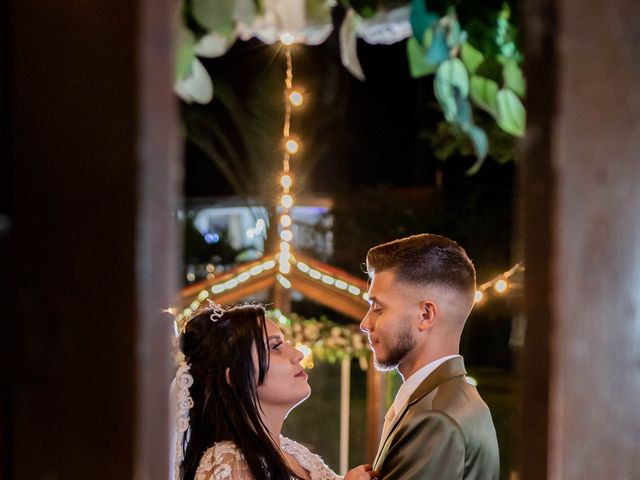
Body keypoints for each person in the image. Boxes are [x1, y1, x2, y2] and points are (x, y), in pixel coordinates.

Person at [173, 302, 377, 480]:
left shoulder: (296, 454)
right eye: (275, 347)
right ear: (235, 377)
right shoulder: (228, 464)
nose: (297, 354)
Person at [361, 234, 500, 479]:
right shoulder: (456, 399)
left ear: (426, 314)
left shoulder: (435, 419)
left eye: (378, 308)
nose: (366, 323)